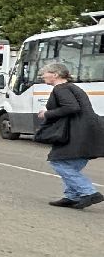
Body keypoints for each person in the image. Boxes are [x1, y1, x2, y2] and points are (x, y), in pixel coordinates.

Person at [36, 61, 104, 209]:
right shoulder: (72, 87)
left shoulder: (61, 88)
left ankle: (89, 192)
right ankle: (71, 196)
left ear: (55, 74)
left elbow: (71, 107)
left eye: (45, 73)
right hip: (87, 130)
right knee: (71, 164)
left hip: (77, 131)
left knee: (58, 161)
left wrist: (47, 113)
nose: (42, 76)